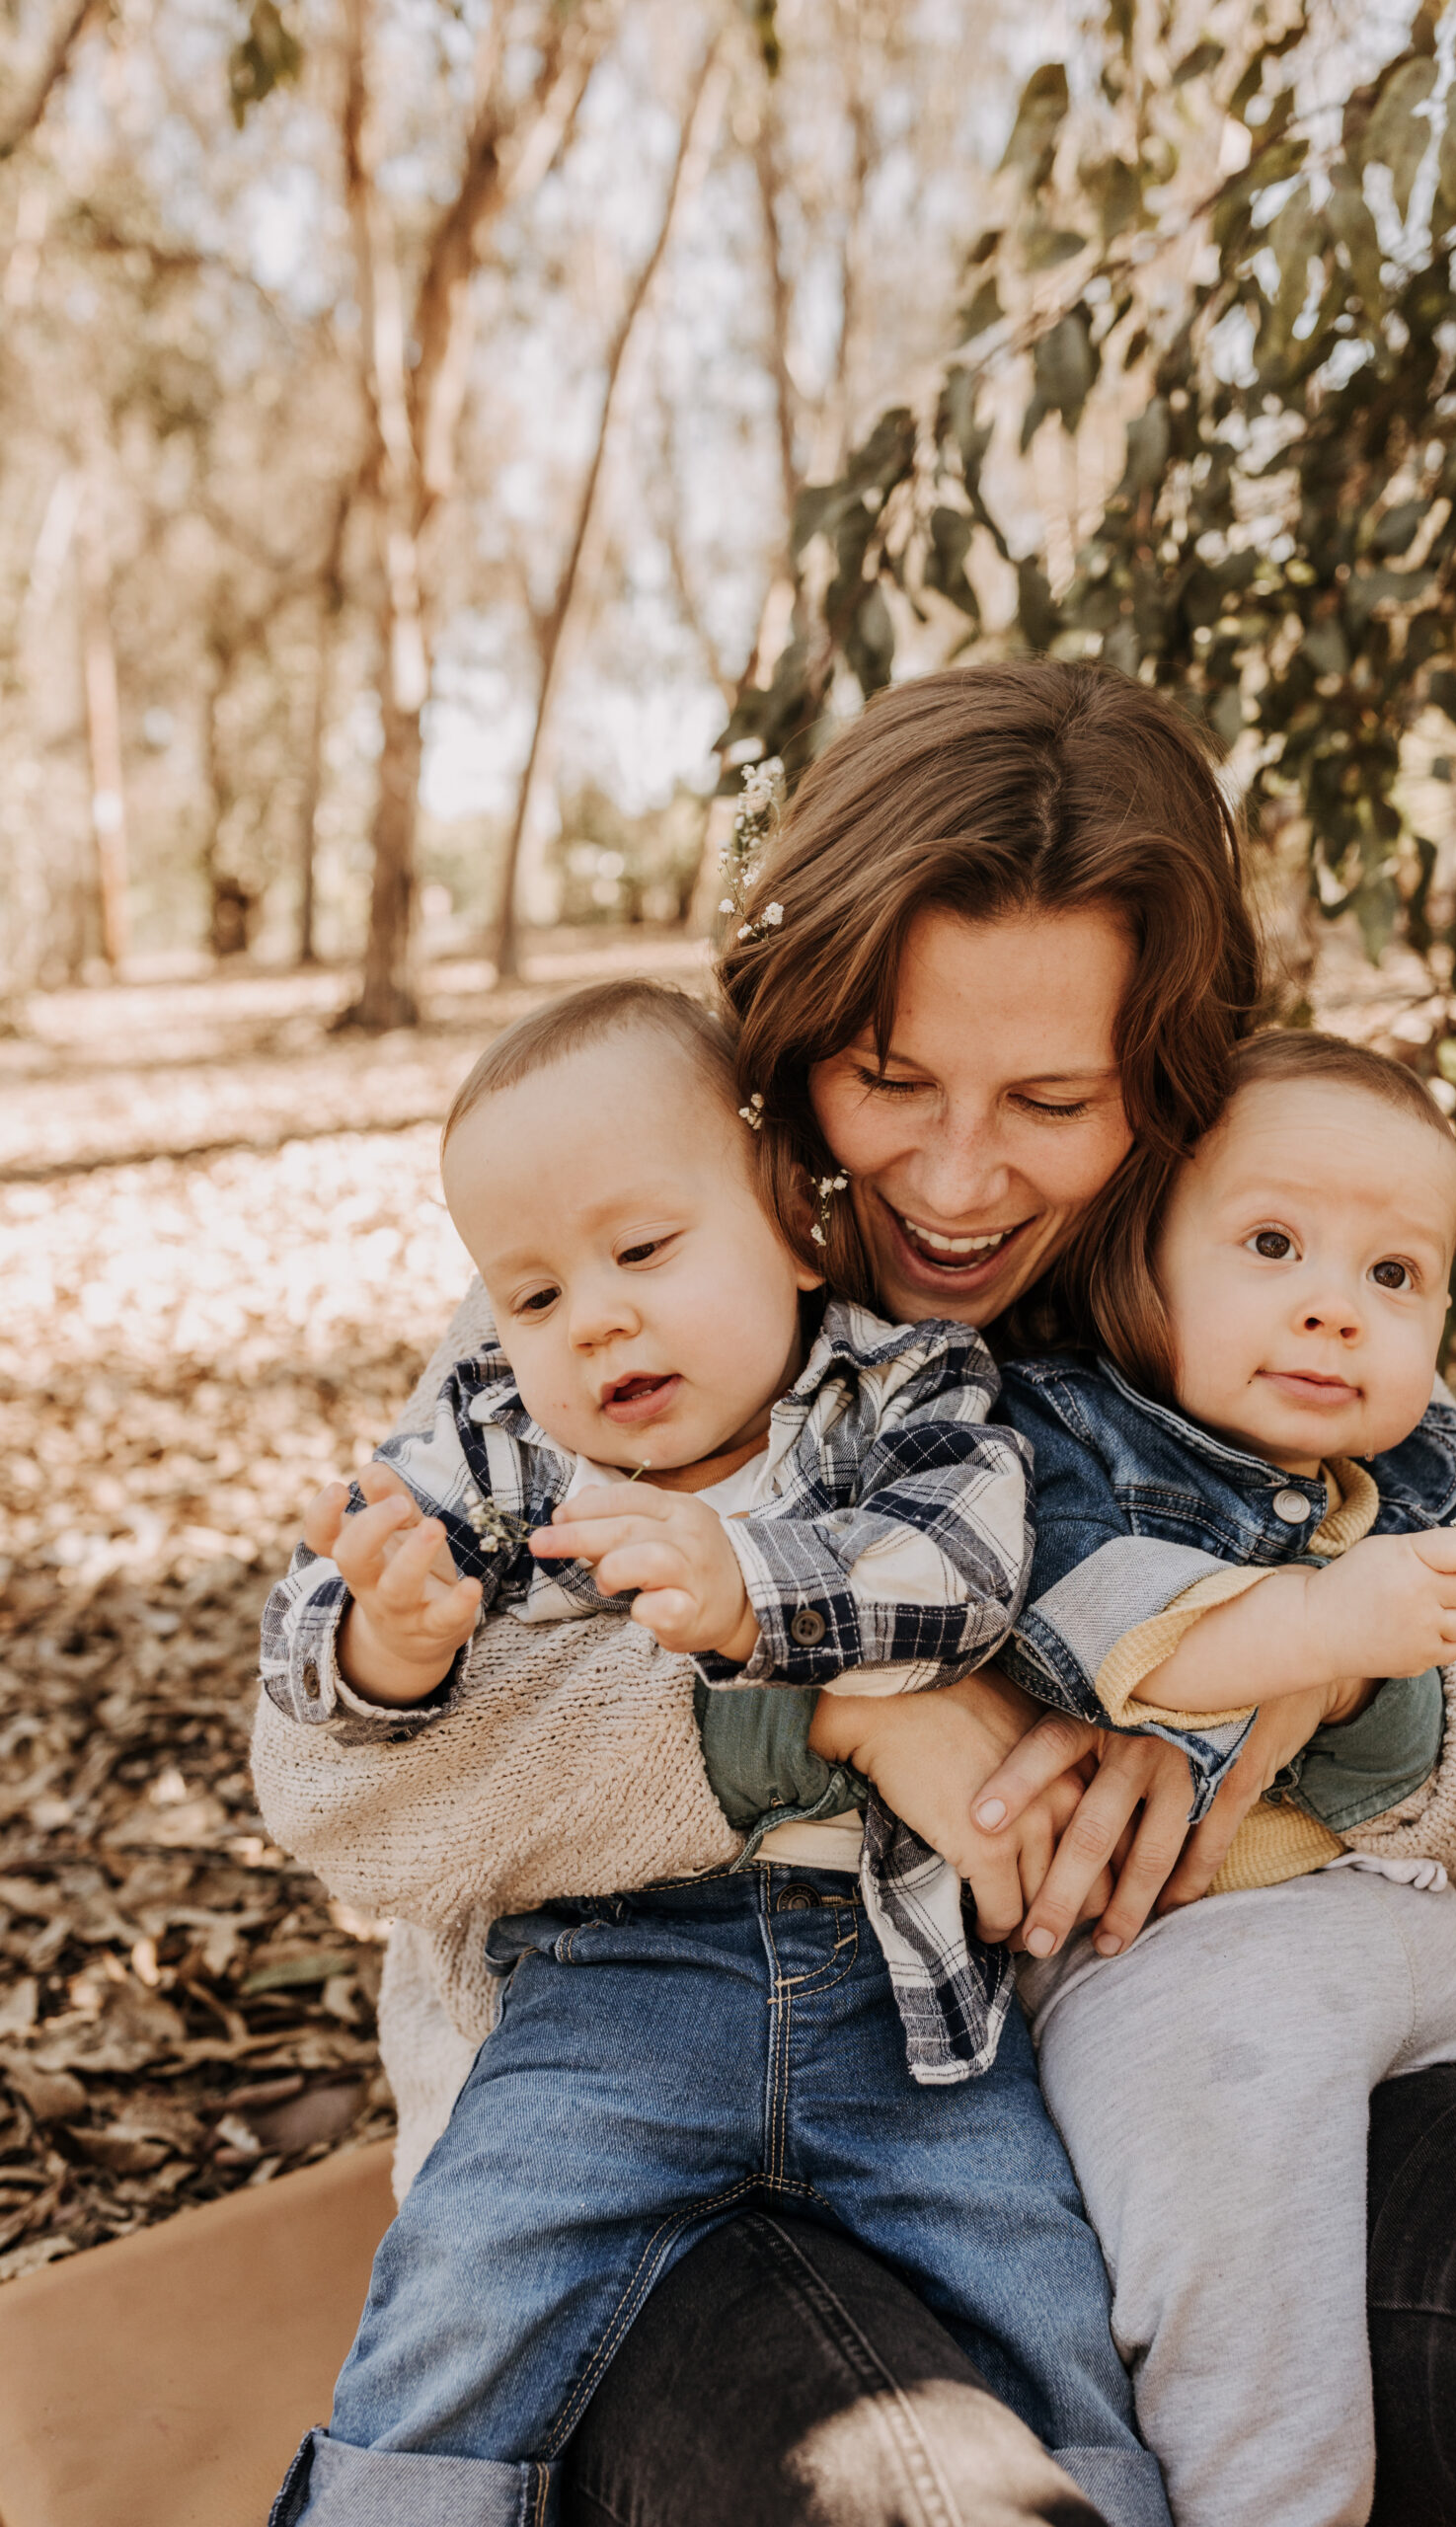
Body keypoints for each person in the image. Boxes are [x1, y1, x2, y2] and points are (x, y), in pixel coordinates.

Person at [258, 659, 1456, 2525]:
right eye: (888, 1075)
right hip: (683, 2155)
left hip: (1215, 2160)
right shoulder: (632, 1281)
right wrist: (835, 1704)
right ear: (791, 1057)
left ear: (1165, 1099)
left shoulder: (1257, 1312)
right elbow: (352, 1813)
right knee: (929, 2504)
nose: (950, 1176)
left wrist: (1263, 1702)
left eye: (1051, 1098)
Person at [260, 978, 1170, 2527]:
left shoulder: (900, 1388)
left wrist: (760, 1595)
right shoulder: (504, 1440)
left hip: (905, 1999)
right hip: (613, 1989)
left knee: (1040, 2291)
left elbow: (964, 1571)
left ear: (793, 1225)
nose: (592, 1316)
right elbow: (317, 1652)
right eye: (533, 1293)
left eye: (641, 1252)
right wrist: (381, 1644)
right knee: (474, 2272)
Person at [984, 1025, 1456, 2525]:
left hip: (1422, 1928)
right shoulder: (1071, 1423)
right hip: (1184, 1959)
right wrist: (1313, 1628)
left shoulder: (1419, 1456)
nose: (1333, 1310)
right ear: (1144, 1259)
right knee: (1242, 2277)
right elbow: (1080, 1626)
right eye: (1275, 1243)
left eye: (1394, 1275)